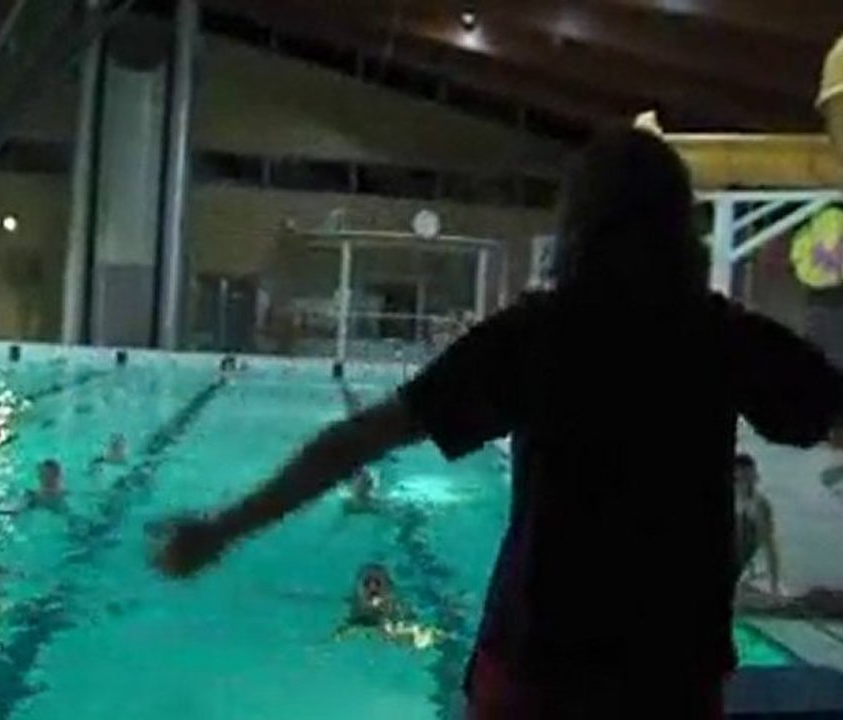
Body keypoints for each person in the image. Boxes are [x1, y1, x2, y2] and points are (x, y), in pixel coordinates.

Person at [153, 128, 843, 718]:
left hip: (539, 667)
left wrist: (226, 527)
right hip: (672, 676)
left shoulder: (538, 337)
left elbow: (360, 437)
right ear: (679, 224)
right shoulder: (720, 338)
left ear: (580, 224)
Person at [333, 564, 444, 650]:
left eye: (377, 583)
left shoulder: (400, 608)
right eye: (367, 583)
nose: (372, 588)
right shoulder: (357, 611)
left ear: (389, 588)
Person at [733, 454, 781, 596]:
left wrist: (774, 589)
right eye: (740, 479)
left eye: (747, 477)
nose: (743, 483)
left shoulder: (759, 505)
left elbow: (770, 548)